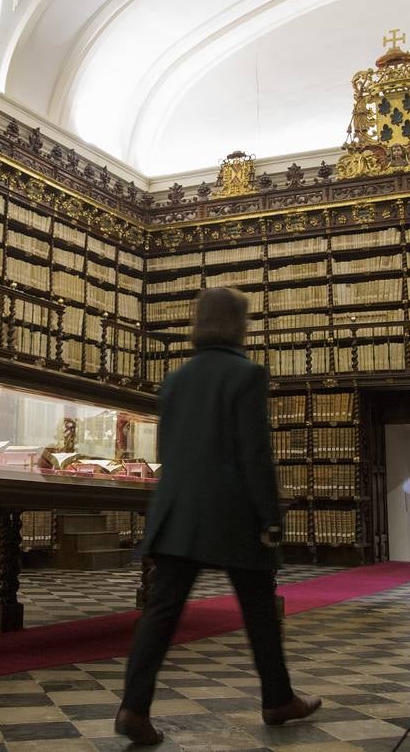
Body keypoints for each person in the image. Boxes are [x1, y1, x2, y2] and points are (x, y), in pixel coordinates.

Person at [116, 287, 320, 745]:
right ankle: (277, 698)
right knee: (259, 611)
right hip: (231, 515)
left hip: (176, 513)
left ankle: (133, 706)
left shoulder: (175, 379)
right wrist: (270, 517)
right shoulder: (246, 374)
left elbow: (168, 450)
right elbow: (254, 451)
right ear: (238, 324)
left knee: (161, 613)